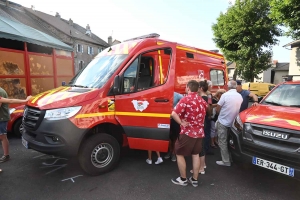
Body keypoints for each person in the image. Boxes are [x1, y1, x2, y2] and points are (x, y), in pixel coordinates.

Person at [171, 80, 208, 187]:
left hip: (188, 132)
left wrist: (181, 122)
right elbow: (206, 112)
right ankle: (194, 179)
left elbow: (174, 113)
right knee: (195, 154)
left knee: (179, 153)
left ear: (188, 87)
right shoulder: (202, 100)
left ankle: (183, 179)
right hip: (200, 133)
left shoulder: (186, 99)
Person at [0, 87, 31, 166]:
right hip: (2, 117)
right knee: (2, 136)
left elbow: (10, 101)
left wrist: (25, 101)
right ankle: (6, 155)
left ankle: (6, 155)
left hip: (1, 118)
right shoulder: (1, 90)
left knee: (2, 136)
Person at [215, 80, 242, 166]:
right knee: (231, 141)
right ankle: (231, 158)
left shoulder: (225, 95)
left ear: (227, 86)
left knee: (222, 141)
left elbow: (217, 108)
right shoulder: (239, 96)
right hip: (233, 122)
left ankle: (226, 161)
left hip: (223, 121)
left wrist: (219, 115)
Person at [189, 80, 210, 175]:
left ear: (200, 88)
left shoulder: (203, 98)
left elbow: (207, 110)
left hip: (201, 123)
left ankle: (201, 168)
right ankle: (203, 164)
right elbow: (209, 110)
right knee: (200, 145)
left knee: (199, 146)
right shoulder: (206, 97)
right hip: (203, 122)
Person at [165, 92, 183, 162]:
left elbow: (184, 102)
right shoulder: (163, 94)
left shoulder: (177, 95)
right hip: (165, 119)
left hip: (174, 119)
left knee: (175, 137)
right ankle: (170, 151)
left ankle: (173, 153)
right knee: (168, 137)